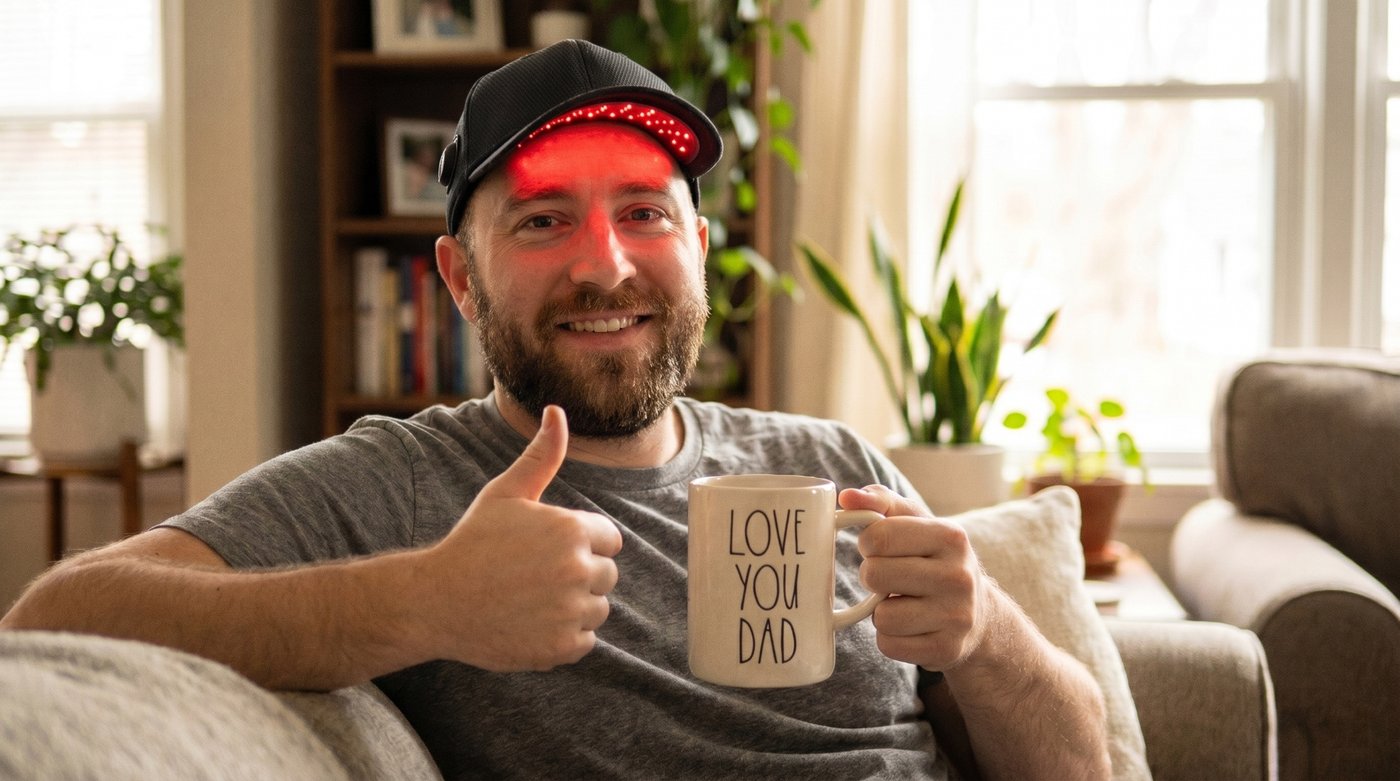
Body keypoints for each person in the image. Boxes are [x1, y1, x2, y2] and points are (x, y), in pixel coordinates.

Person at [1, 40, 1109, 779]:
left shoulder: (831, 456)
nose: (606, 265)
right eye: (542, 222)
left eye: (644, 213)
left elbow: (1077, 767)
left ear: (700, 252)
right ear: (458, 277)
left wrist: (987, 636)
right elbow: (56, 617)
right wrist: (424, 601)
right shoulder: (406, 483)